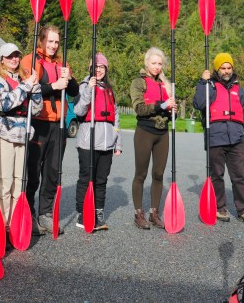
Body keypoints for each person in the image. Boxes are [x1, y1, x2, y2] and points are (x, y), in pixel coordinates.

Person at [20, 25, 79, 235]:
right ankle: (27, 212)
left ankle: (45, 213)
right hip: (38, 121)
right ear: (41, 40)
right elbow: (28, 88)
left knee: (52, 172)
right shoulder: (30, 61)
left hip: (59, 124)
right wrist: (53, 86)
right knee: (33, 171)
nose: (53, 46)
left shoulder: (62, 64)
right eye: (50, 41)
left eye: (56, 42)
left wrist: (69, 78)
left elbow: (74, 91)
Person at [0, 43, 41, 238]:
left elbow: (36, 110)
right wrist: (26, 87)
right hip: (3, 135)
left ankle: (13, 227)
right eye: (10, 57)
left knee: (19, 185)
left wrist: (36, 88)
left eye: (16, 56)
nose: (14, 59)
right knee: (3, 183)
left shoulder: (23, 79)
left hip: (22, 136)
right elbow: (4, 104)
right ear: (2, 59)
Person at [193, 52, 244, 223]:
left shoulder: (238, 89)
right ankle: (220, 208)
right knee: (217, 175)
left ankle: (243, 210)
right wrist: (202, 82)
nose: (226, 71)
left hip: (236, 140)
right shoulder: (209, 86)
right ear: (217, 69)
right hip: (216, 138)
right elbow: (199, 104)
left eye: (229, 68)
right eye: (223, 68)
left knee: (239, 176)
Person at [74, 52, 122, 231]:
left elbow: (116, 117)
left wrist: (118, 143)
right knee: (86, 179)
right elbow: (79, 111)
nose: (99, 70)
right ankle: (82, 212)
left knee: (101, 180)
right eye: (96, 67)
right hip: (88, 141)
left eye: (102, 67)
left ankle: (98, 212)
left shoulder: (109, 89)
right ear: (90, 69)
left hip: (106, 142)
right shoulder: (84, 86)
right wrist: (88, 90)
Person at [129, 47, 176, 230]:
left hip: (162, 133)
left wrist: (172, 111)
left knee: (158, 174)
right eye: (153, 63)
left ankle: (154, 213)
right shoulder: (138, 82)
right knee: (140, 174)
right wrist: (162, 105)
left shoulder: (166, 84)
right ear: (146, 63)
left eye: (160, 63)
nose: (157, 66)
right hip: (145, 132)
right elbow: (139, 108)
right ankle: (138, 214)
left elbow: (171, 114)